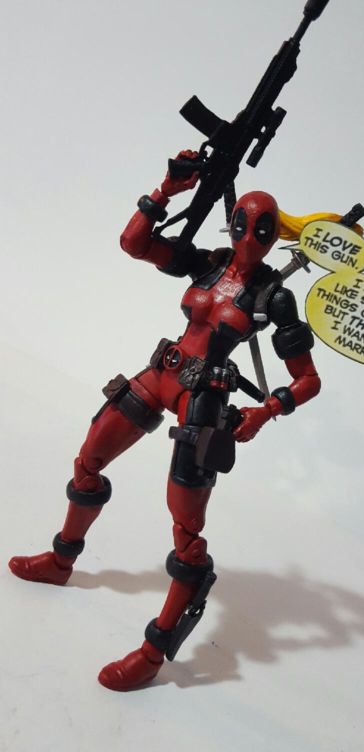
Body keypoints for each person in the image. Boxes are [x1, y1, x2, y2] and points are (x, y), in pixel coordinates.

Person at [9, 151, 322, 691]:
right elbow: (134, 243)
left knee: (186, 531)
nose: (250, 236)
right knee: (89, 457)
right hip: (162, 372)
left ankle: (155, 652)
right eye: (243, 224)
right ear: (232, 222)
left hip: (204, 399)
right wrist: (166, 190)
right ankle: (61, 560)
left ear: (275, 234)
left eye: (263, 229)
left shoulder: (275, 296)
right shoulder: (209, 263)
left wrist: (264, 411)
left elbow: (308, 379)